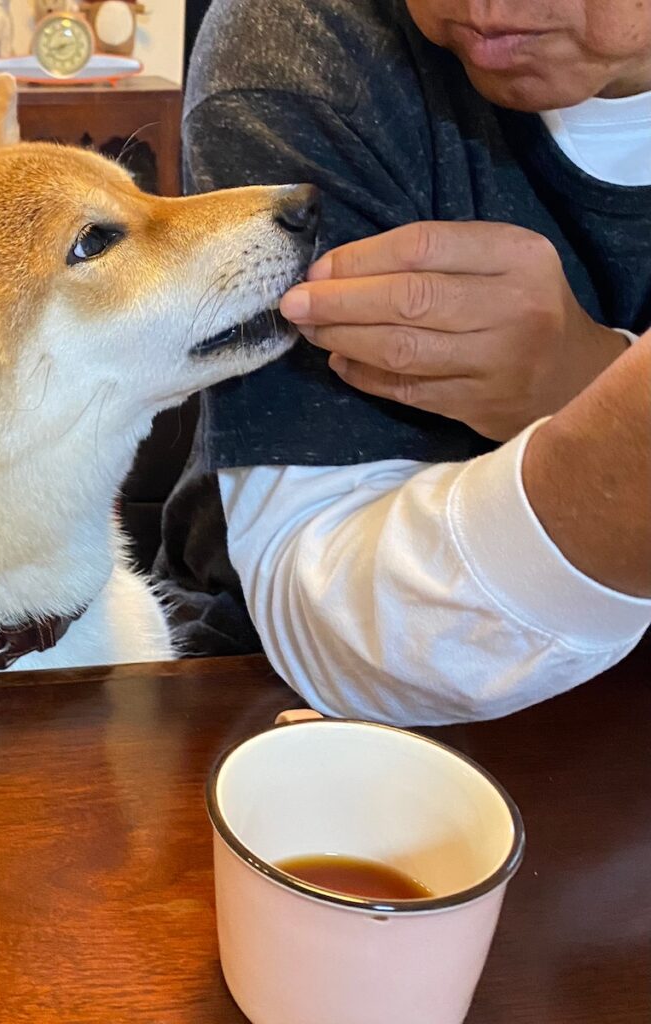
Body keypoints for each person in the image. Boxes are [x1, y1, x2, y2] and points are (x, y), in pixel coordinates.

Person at [155, 0, 651, 724]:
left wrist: (592, 378)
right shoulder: (304, 45)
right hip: (272, 692)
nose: (484, 10)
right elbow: (321, 606)